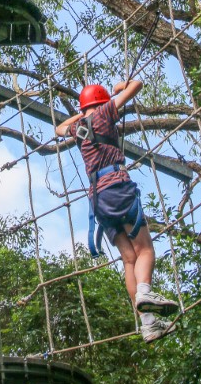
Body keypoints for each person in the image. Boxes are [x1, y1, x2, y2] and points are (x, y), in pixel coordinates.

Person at [56, 79, 179, 342]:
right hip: (117, 187)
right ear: (102, 103)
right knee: (145, 249)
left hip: (97, 199)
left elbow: (59, 129)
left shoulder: (77, 128)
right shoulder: (104, 114)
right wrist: (119, 87)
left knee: (129, 259)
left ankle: (148, 323)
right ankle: (145, 291)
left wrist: (82, 113)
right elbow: (137, 85)